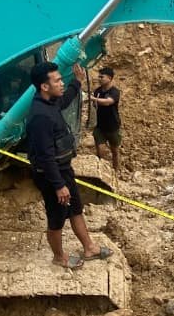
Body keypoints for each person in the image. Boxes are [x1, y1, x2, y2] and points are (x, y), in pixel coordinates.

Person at [26, 60, 114, 270]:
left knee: (75, 208)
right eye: (57, 80)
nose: (61, 83)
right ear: (44, 86)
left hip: (63, 168)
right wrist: (58, 185)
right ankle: (59, 257)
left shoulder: (50, 102)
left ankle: (89, 248)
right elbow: (46, 156)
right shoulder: (40, 116)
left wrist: (77, 81)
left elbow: (64, 100)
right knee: (56, 217)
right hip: (50, 175)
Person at [90, 66, 123, 176]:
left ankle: (116, 171)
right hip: (100, 127)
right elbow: (94, 107)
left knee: (115, 151)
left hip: (113, 127)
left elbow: (108, 102)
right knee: (100, 150)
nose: (99, 79)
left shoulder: (115, 92)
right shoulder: (97, 91)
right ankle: (101, 172)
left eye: (101, 77)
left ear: (109, 78)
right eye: (99, 76)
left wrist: (93, 99)